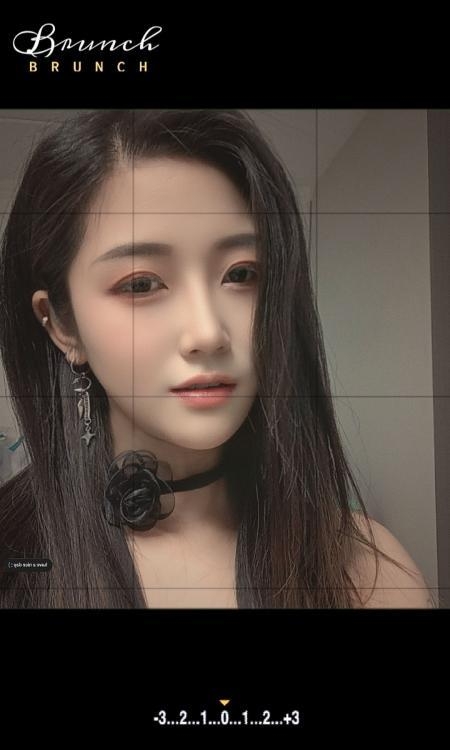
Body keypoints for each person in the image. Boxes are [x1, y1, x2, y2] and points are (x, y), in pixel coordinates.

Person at [0, 109, 432, 608]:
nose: (208, 333)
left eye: (241, 274)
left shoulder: (369, 574)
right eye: (141, 284)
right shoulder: (18, 562)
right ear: (61, 323)